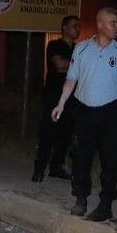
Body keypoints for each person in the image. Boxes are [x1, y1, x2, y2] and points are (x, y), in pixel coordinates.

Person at [51, 7, 117, 222]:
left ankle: (105, 205)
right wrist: (61, 104)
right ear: (100, 24)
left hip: (111, 112)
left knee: (110, 160)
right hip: (84, 111)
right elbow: (71, 79)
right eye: (113, 23)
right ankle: (80, 197)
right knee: (81, 157)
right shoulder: (82, 49)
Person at [32, 15, 81, 182]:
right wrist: (78, 64)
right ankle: (39, 169)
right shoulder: (54, 45)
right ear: (65, 28)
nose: (77, 29)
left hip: (73, 96)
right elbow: (59, 65)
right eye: (74, 25)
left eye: (78, 26)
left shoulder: (79, 48)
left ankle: (56, 167)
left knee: (66, 133)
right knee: (48, 132)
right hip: (54, 95)